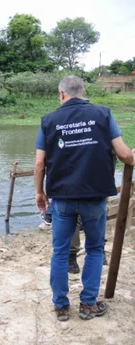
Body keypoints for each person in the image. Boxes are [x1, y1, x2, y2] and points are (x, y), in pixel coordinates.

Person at [34, 76, 135, 322]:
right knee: (94, 248)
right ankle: (88, 304)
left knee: (59, 252)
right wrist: (132, 157)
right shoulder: (103, 114)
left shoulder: (49, 121)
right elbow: (124, 155)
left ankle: (61, 306)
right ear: (84, 92)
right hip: (94, 196)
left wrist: (39, 193)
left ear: (61, 94)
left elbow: (39, 163)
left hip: (62, 198)